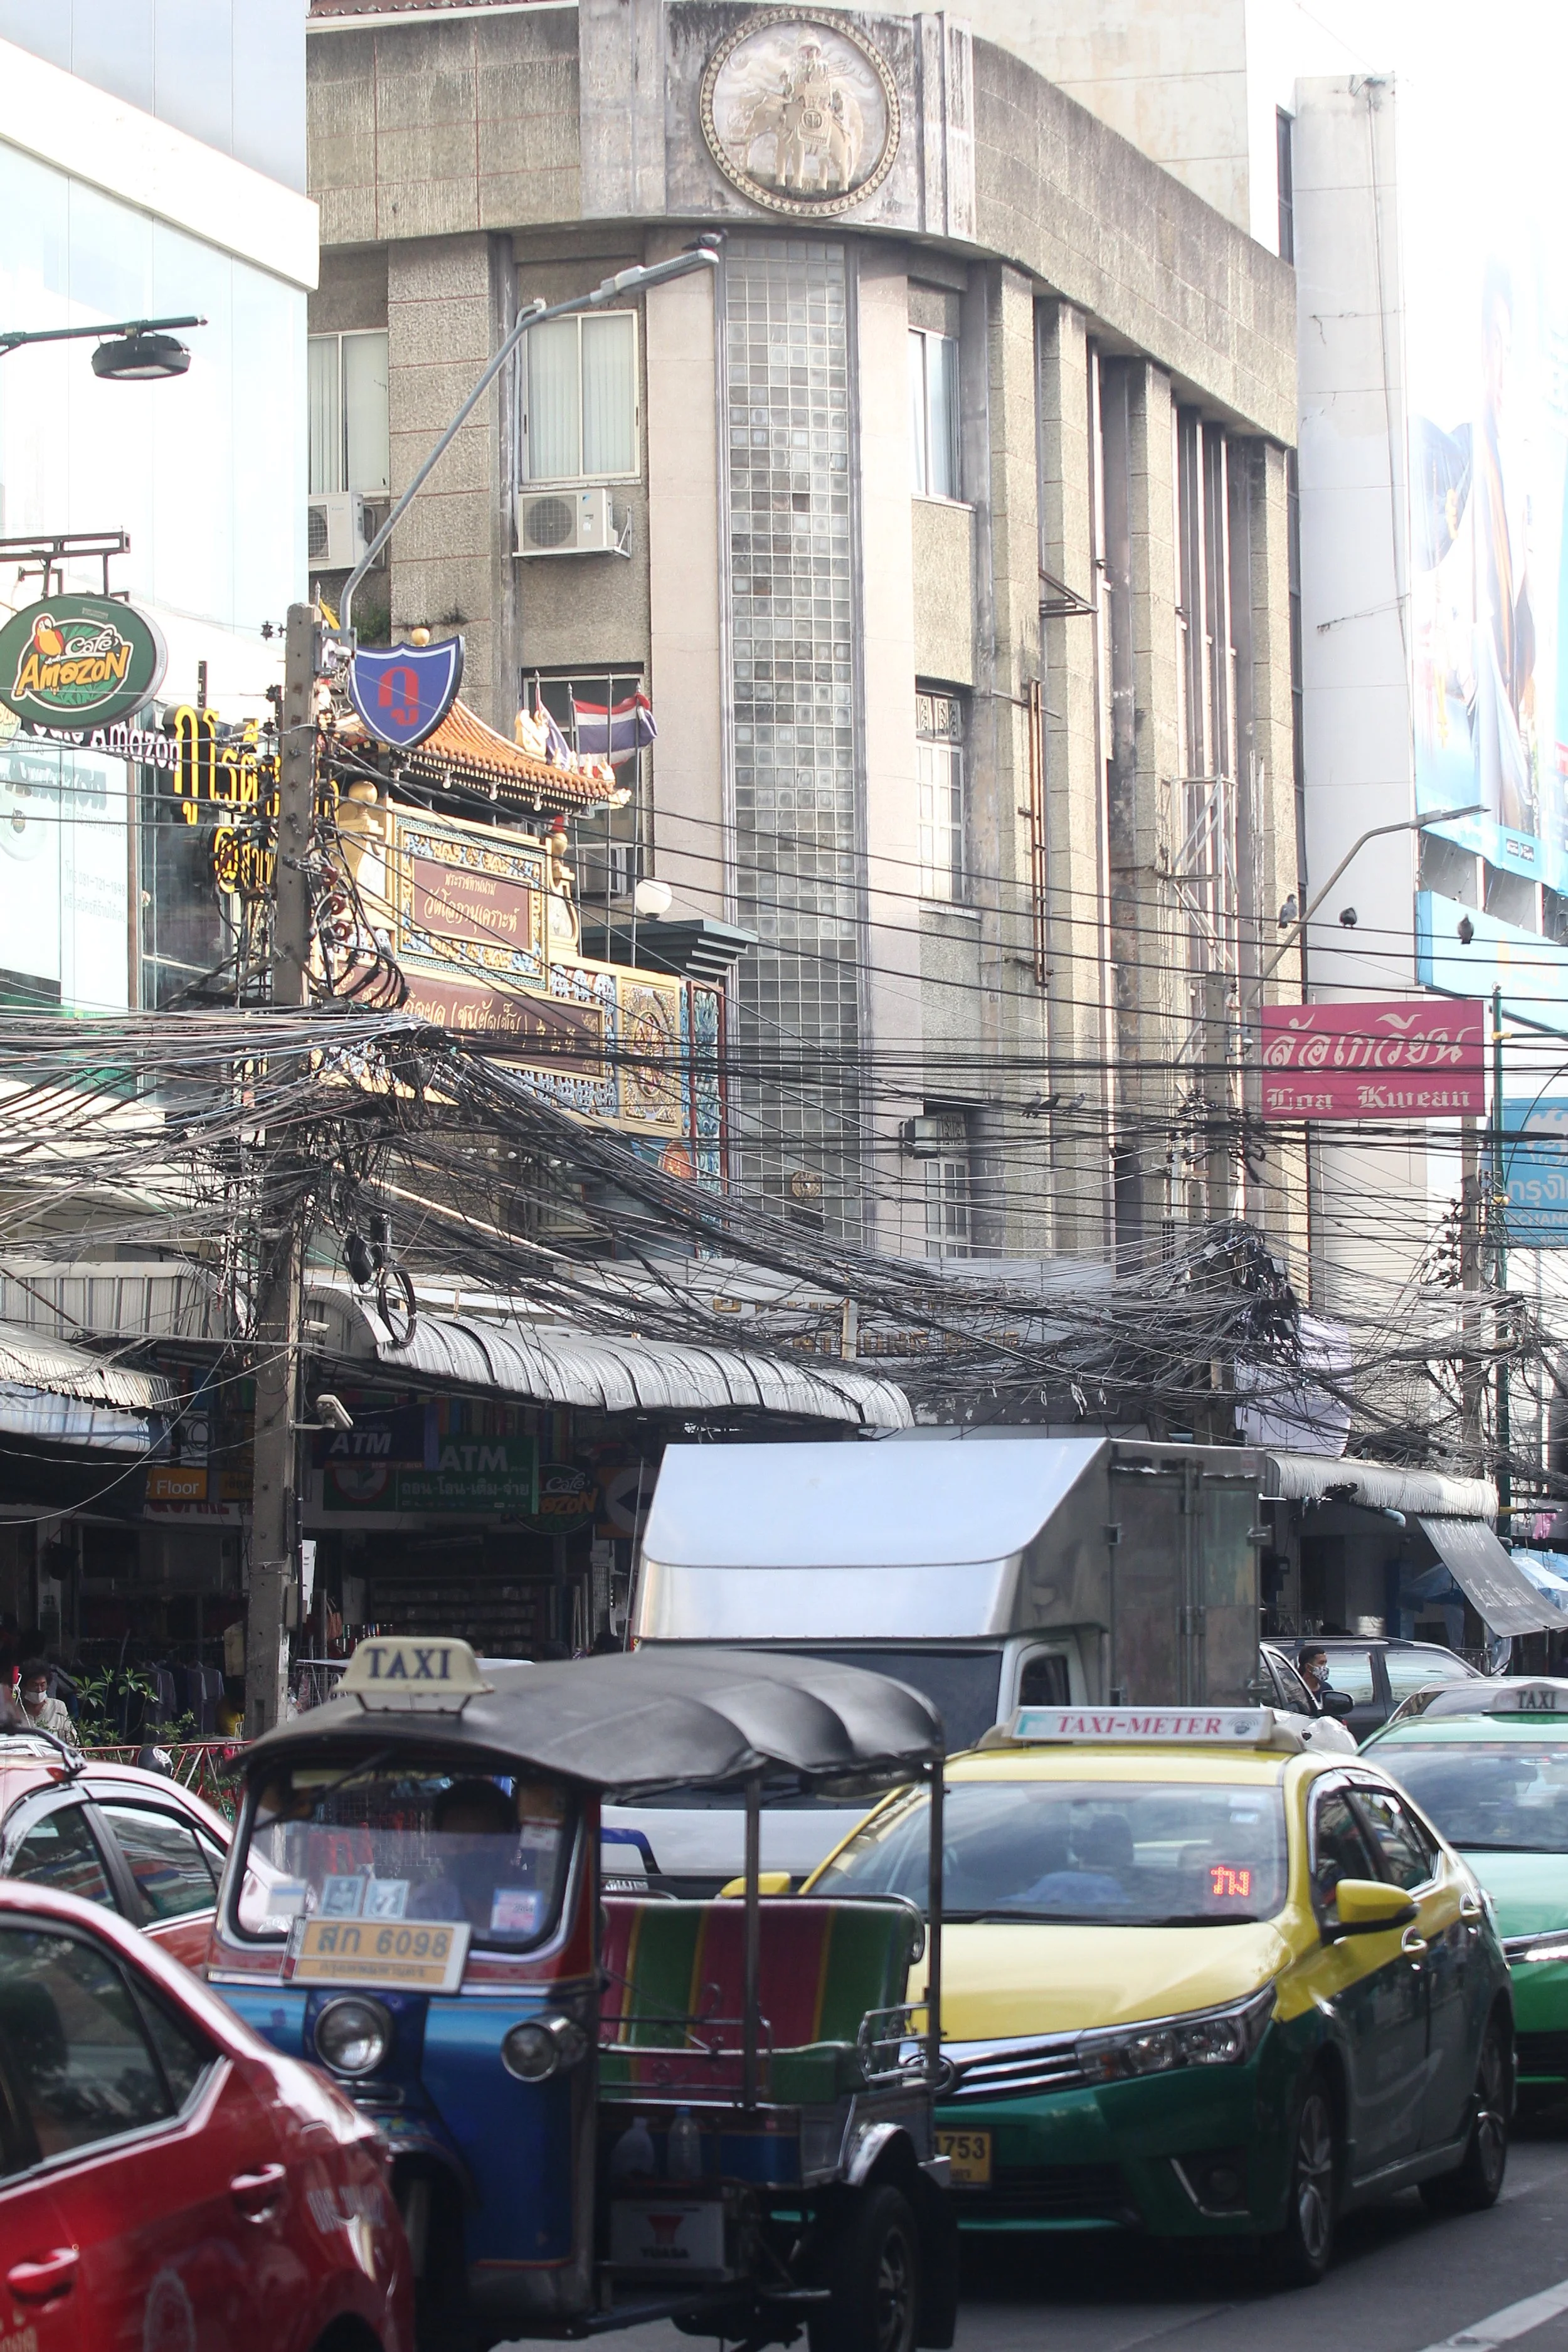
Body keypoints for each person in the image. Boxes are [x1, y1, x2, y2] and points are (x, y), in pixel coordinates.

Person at [17, 1660, 74, 1741]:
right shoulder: (14, 1710)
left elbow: (71, 1740)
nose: (39, 1690)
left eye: (43, 1685)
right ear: (24, 1686)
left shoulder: (58, 1707)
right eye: (35, 1685)